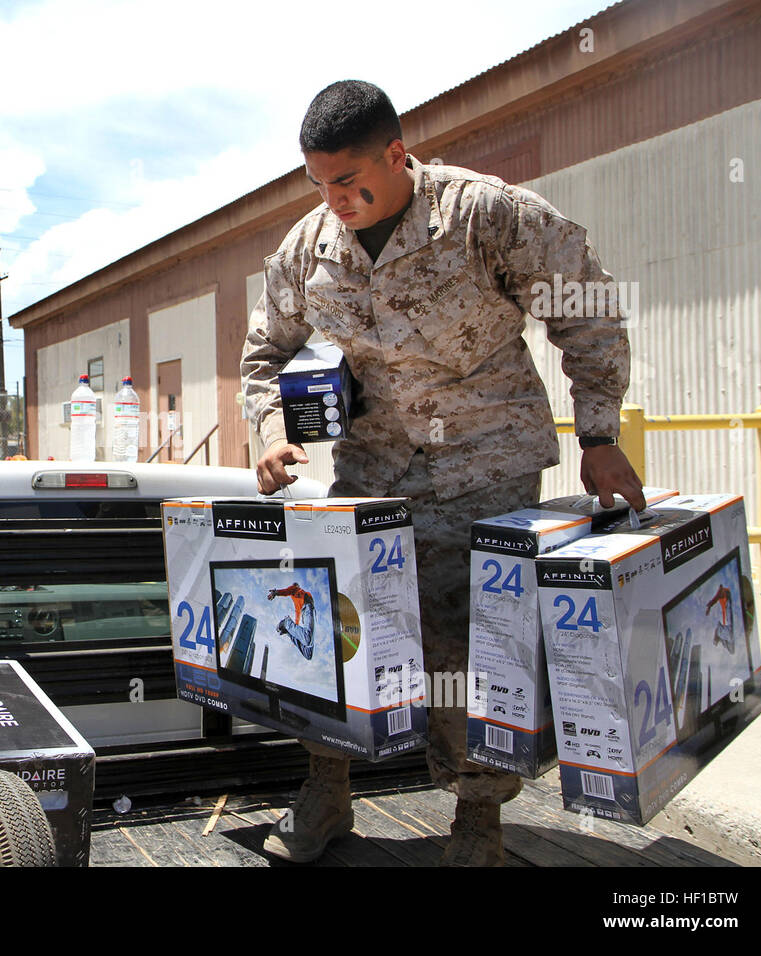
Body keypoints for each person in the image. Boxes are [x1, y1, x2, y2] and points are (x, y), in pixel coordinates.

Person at [240, 80, 644, 866]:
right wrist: (272, 429)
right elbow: (265, 355)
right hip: (374, 473)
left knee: (475, 649)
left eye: (348, 181)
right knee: (339, 629)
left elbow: (588, 308)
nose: (334, 200)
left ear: (397, 155)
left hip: (484, 466)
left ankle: (478, 819)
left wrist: (599, 434)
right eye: (319, 184)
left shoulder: (488, 215)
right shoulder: (306, 249)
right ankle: (327, 789)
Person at [268, 583, 315, 660]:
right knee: (307, 639)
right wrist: (276, 592)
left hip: (307, 612)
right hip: (308, 608)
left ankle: (288, 632)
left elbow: (297, 616)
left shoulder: (298, 605)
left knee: (308, 654)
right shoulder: (296, 589)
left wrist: (294, 633)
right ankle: (286, 622)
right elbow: (287, 591)